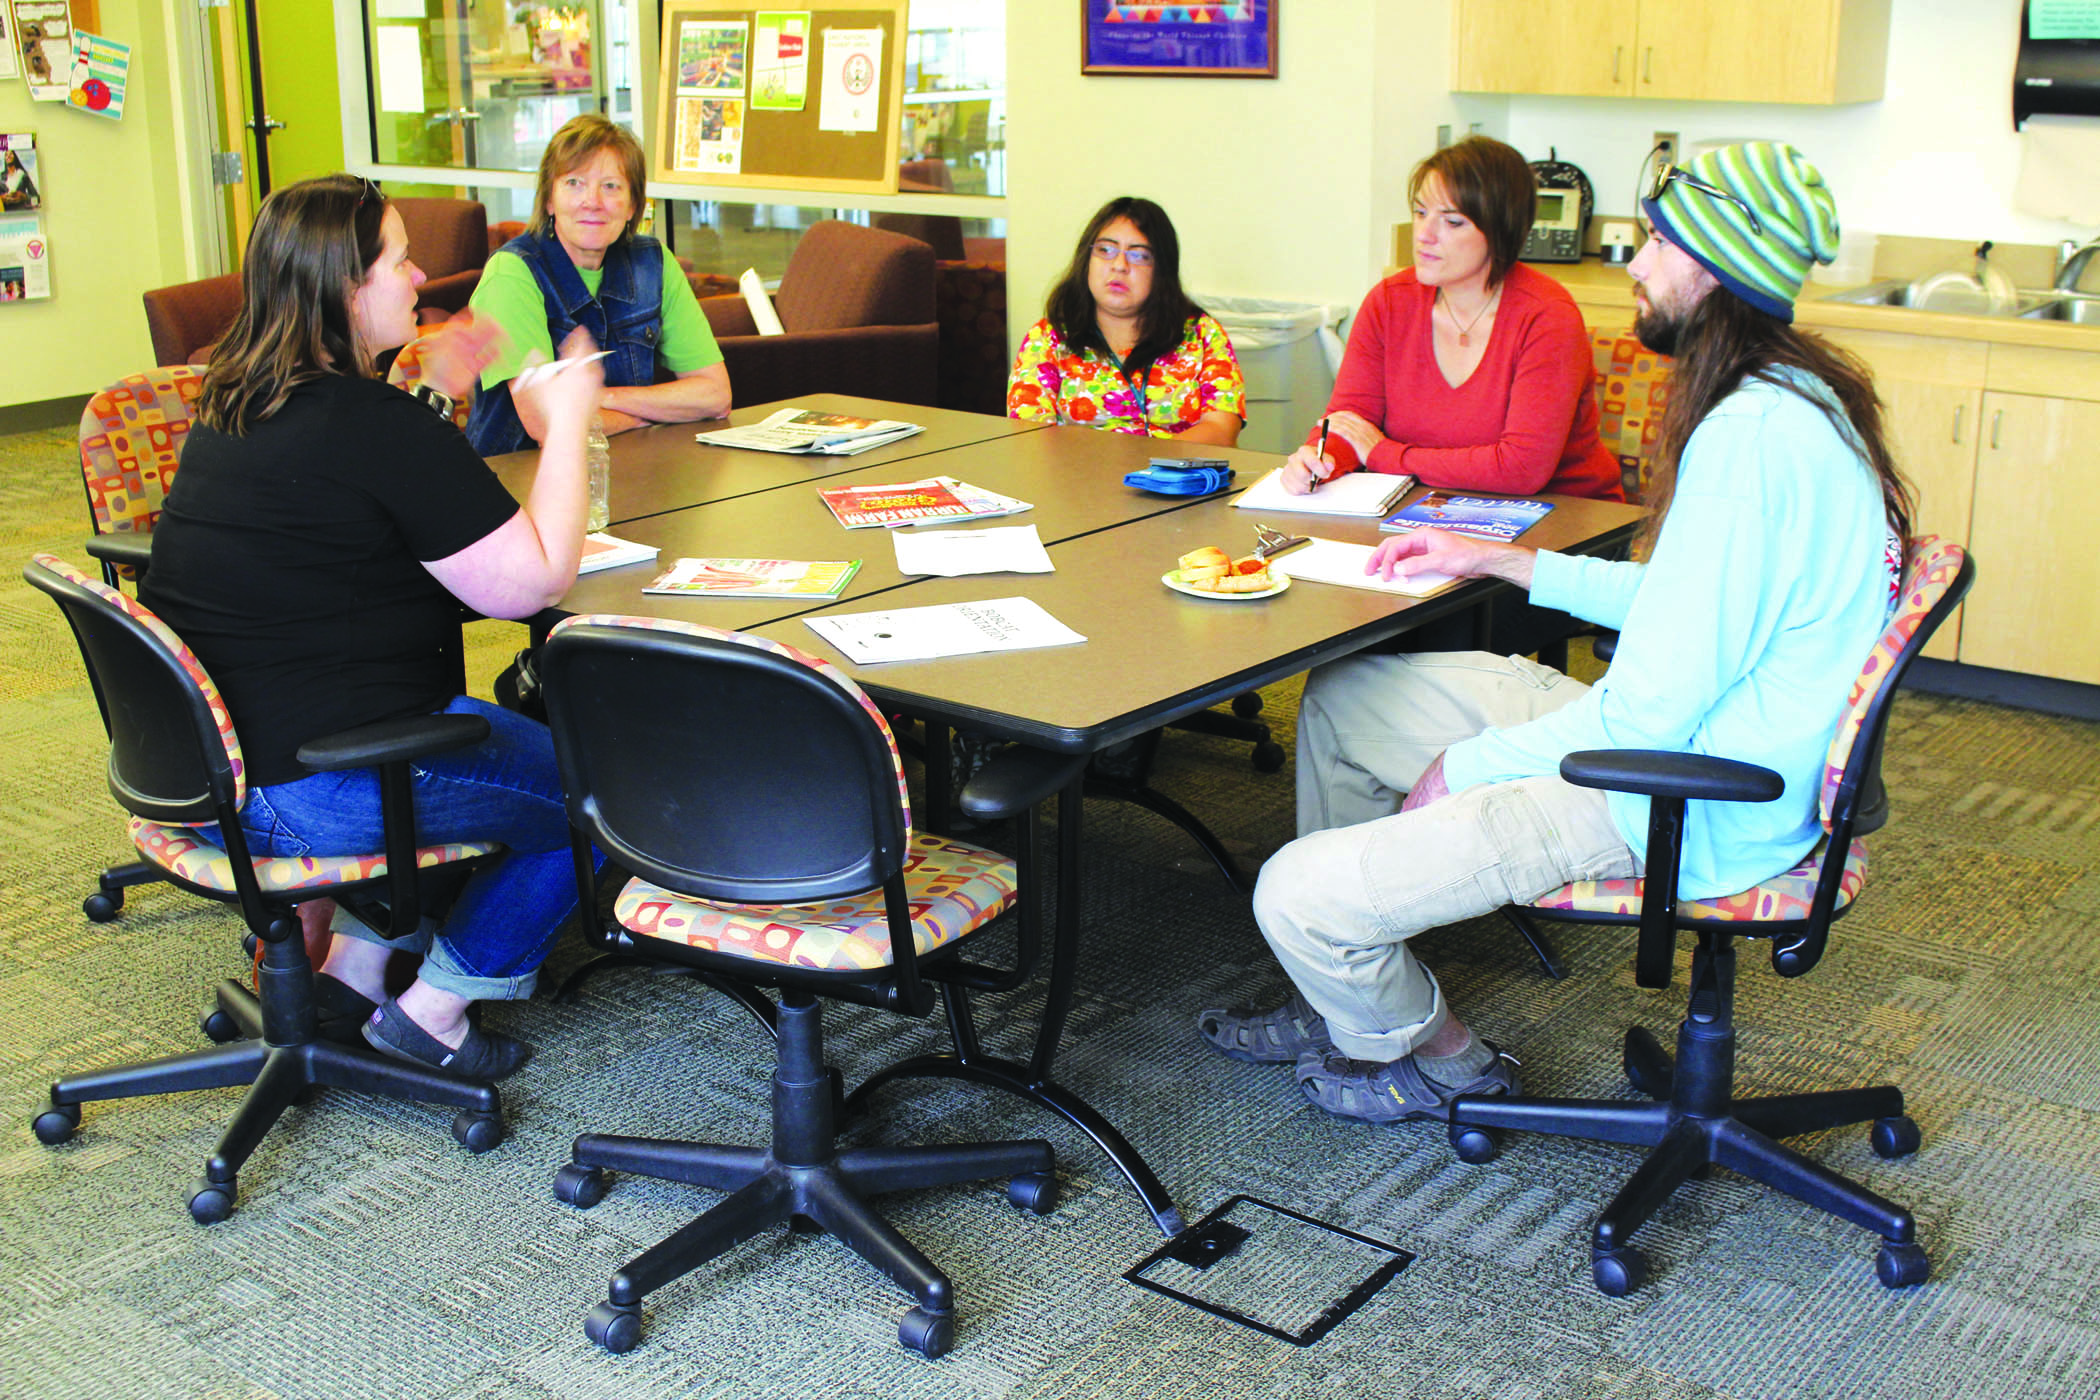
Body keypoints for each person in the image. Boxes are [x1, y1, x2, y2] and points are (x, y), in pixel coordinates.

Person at [1199, 142, 1914, 1127]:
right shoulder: (1798, 398)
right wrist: (1507, 561)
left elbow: (1649, 704)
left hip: (1680, 791)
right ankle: (1347, 994)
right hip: (1707, 734)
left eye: (1657, 241)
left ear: (1713, 265)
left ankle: (1438, 1054)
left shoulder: (1750, 438)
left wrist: (1475, 764)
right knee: (1346, 701)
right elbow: (1688, 601)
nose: (1635, 263)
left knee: (1290, 891)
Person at [142, 174, 606, 1082]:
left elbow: (365, 499)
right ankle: (436, 1012)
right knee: (603, 796)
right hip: (317, 781)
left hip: (214, 764)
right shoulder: (374, 425)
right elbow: (532, 581)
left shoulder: (238, 402)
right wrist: (566, 426)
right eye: (399, 258)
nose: (422, 276)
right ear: (346, 286)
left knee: (502, 744)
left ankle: (355, 972)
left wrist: (437, 384)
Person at [1279, 136, 1624, 657]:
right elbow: (1350, 418)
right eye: (1420, 214)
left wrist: (1382, 455)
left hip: (1564, 529)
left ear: (1500, 230)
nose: (1426, 235)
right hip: (1438, 512)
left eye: (1453, 221)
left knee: (1434, 626)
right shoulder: (1389, 303)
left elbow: (1521, 469)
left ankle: (1446, 735)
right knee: (1346, 611)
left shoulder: (1546, 317)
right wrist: (1322, 458)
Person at [464, 114, 728, 456]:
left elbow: (715, 395)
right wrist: (648, 416)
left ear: (633, 205)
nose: (592, 201)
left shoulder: (654, 263)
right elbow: (547, 424)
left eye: (611, 186)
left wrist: (604, 398)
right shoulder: (512, 273)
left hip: (631, 472)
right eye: (574, 183)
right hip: (518, 482)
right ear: (549, 200)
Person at [1006, 196, 1245, 446]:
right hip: (1076, 477)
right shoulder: (1048, 337)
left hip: (1177, 478)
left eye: (1139, 255)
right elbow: (1028, 436)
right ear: (1086, 259)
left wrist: (1150, 469)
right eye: (1105, 250)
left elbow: (1221, 430)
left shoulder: (1201, 333)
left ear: (1162, 268)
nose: (1119, 266)